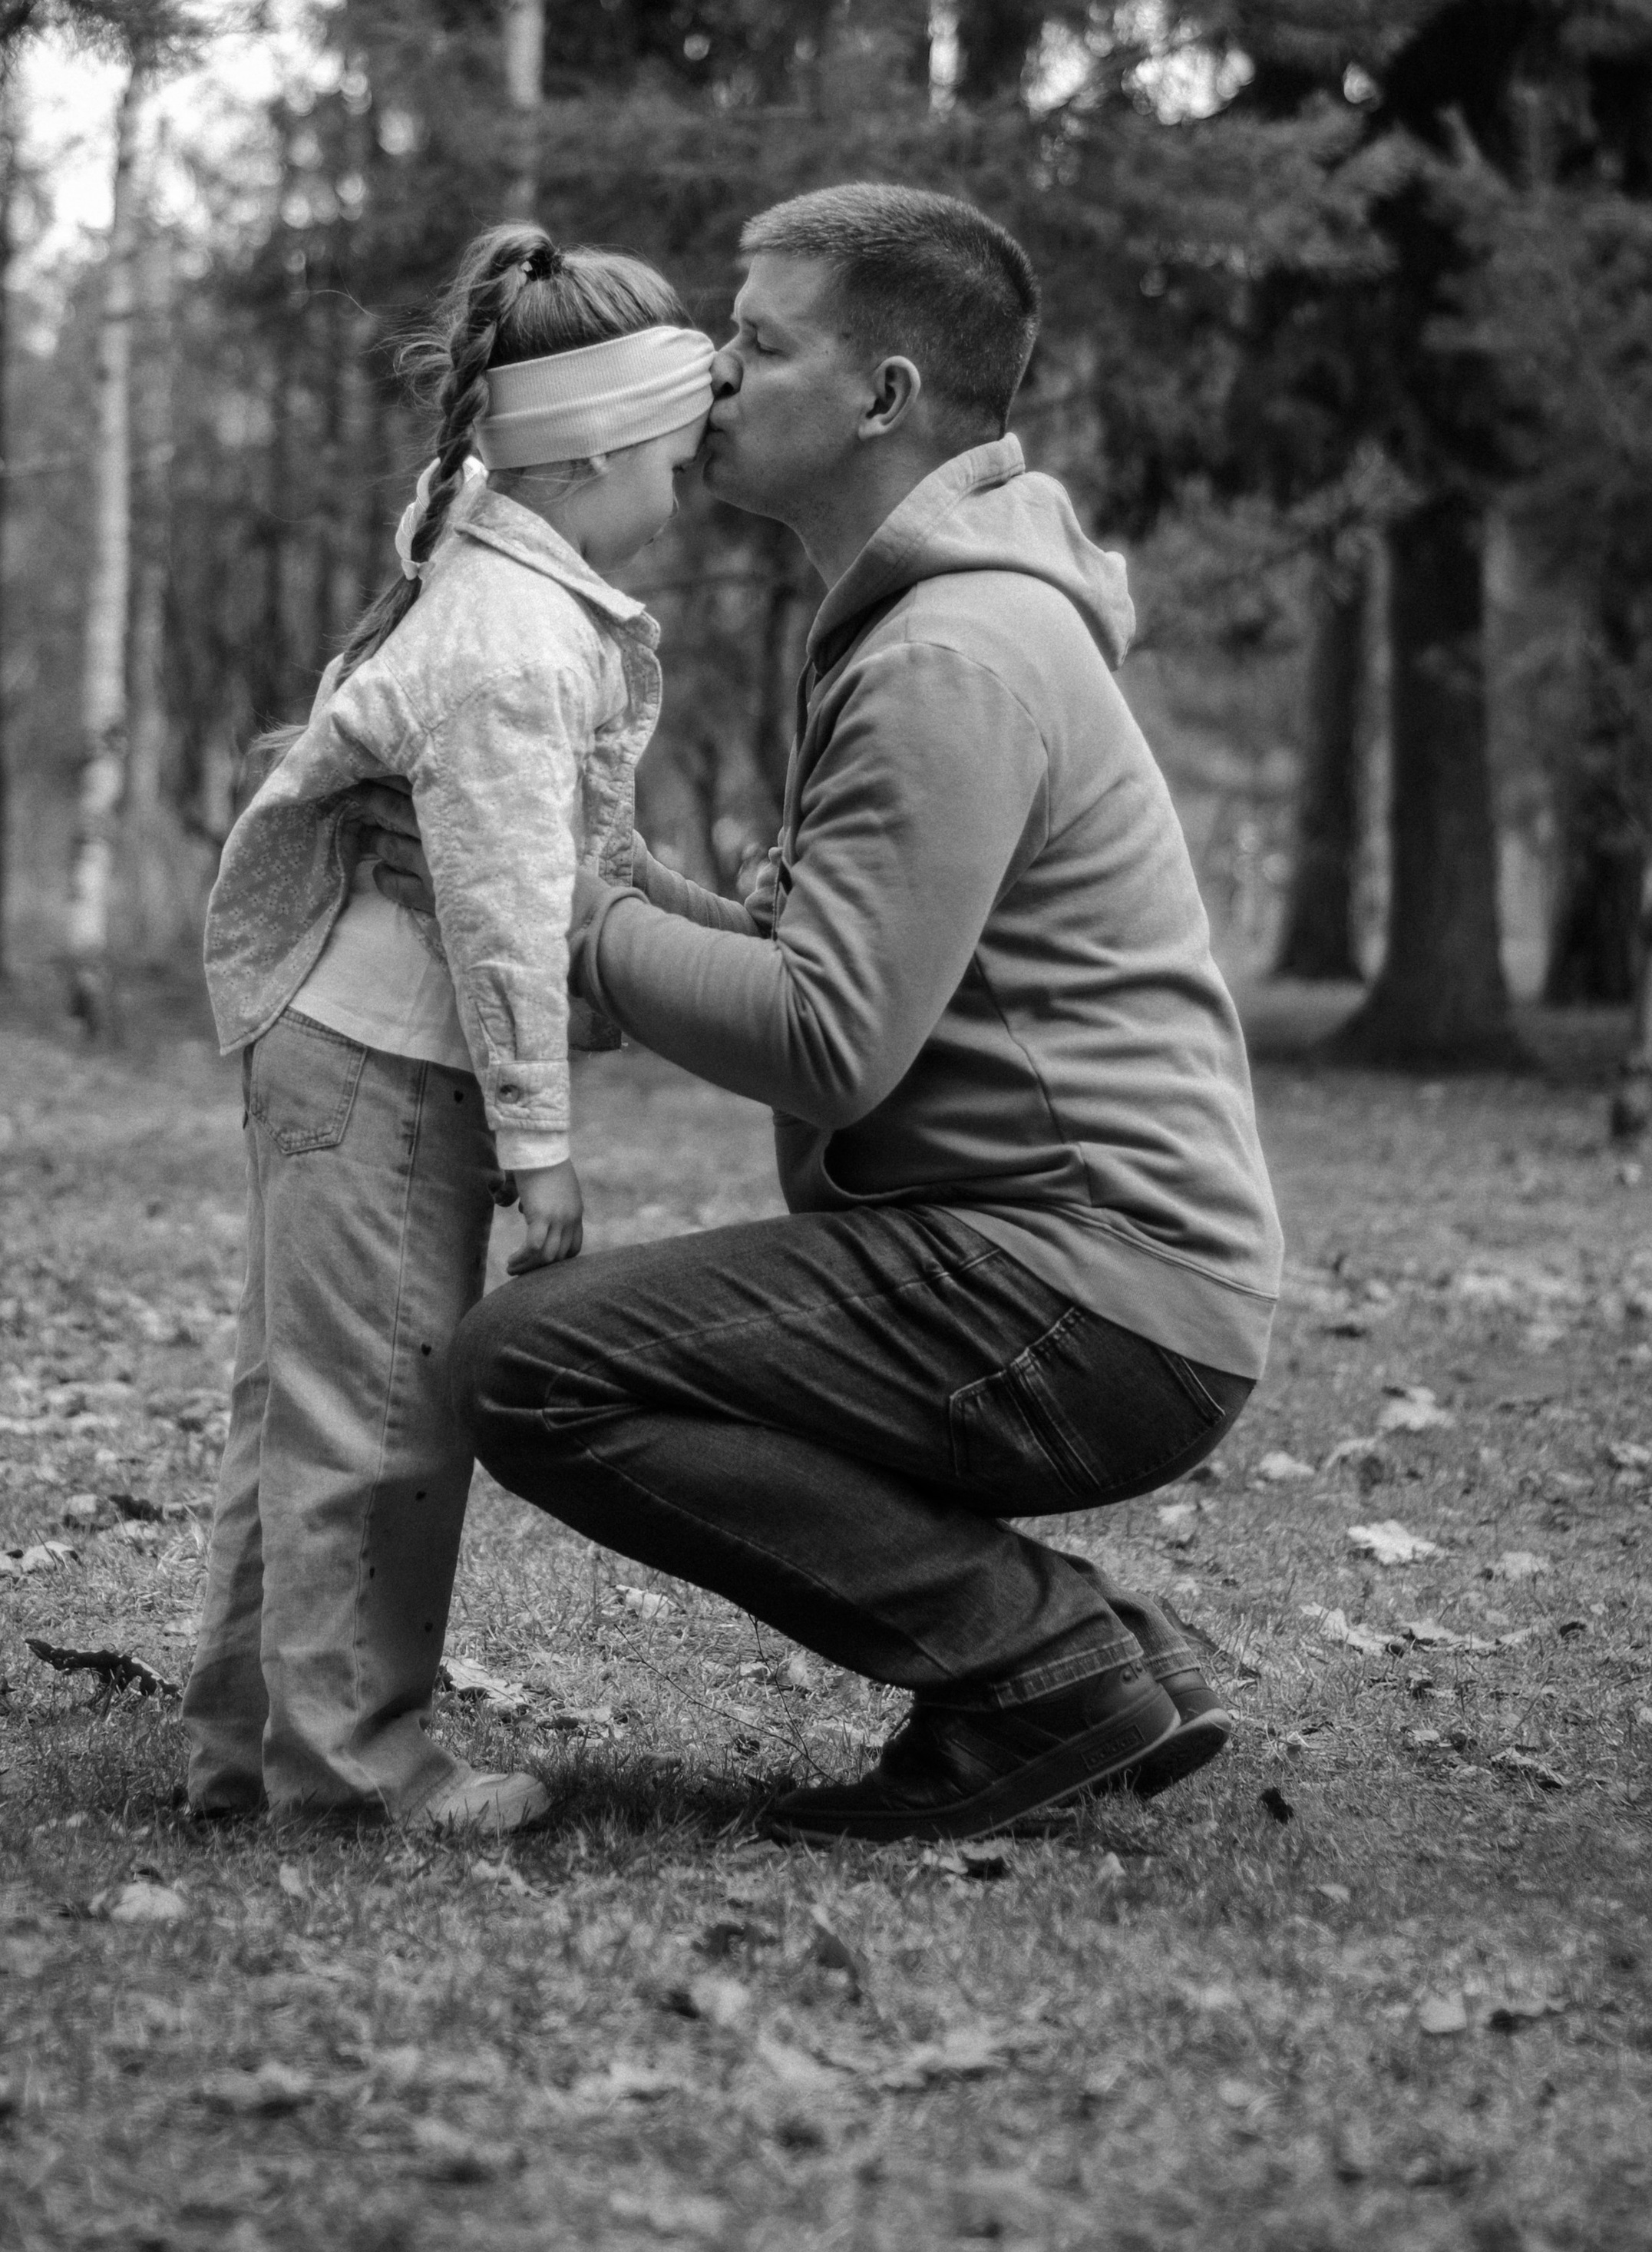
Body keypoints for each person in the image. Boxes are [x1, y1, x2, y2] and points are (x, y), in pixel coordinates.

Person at [365, 183, 1284, 1845]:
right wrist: (634, 895)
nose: (711, 370)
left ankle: (1039, 1667)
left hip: (1089, 1290)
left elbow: (828, 1039)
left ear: (883, 398)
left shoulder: (951, 653)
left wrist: (573, 918)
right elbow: (866, 982)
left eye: (759, 341)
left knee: (530, 1367)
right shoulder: (930, 620)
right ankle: (1104, 1646)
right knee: (568, 1348)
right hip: (1076, 1267)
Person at [183, 224, 712, 1834]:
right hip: (386, 1064)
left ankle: (249, 1746)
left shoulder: (501, 577)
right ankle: (355, 1770)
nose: (685, 483)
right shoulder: (511, 644)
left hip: (343, 1048)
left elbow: (575, 857)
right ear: (595, 450)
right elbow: (500, 911)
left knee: (307, 1403)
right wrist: (542, 1148)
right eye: (674, 453)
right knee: (383, 1420)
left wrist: (722, 921)